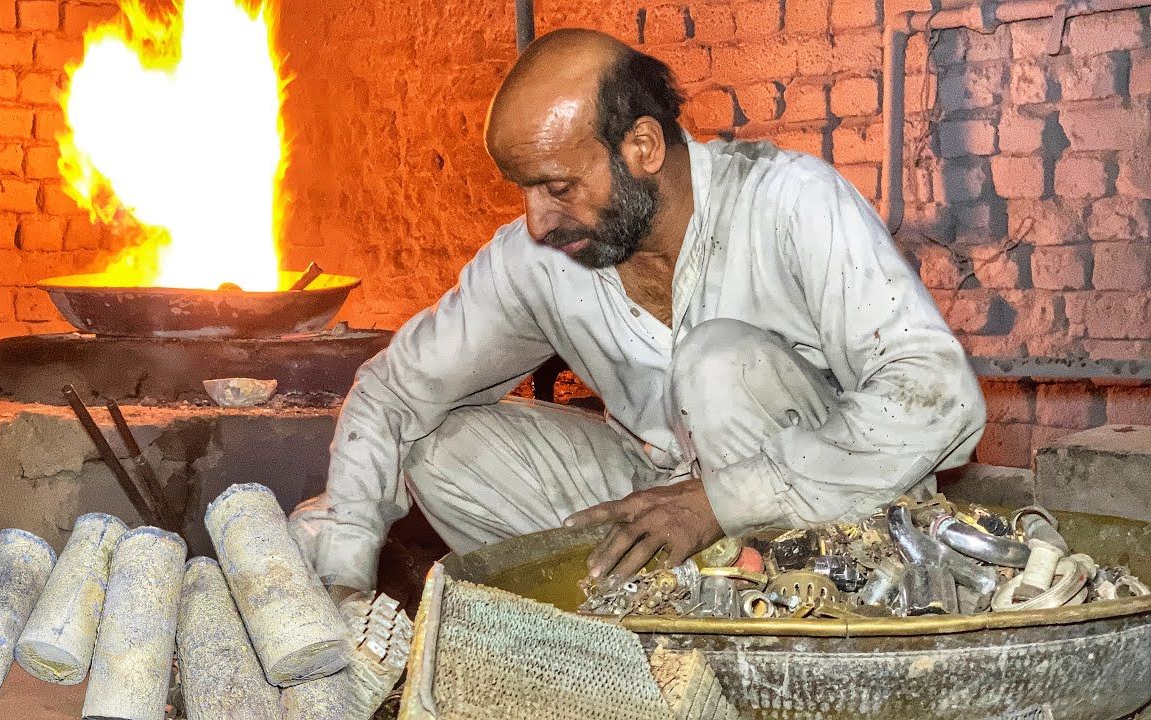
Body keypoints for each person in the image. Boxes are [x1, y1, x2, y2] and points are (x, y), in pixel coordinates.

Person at [290, 28, 986, 603]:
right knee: (441, 449)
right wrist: (344, 572)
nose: (537, 221)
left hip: (825, 521)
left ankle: (775, 635)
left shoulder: (790, 202)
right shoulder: (543, 258)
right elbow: (392, 391)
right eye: (527, 190)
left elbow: (941, 401)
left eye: (559, 187)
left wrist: (720, 501)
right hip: (658, 487)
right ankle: (633, 639)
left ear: (643, 149)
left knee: (719, 362)